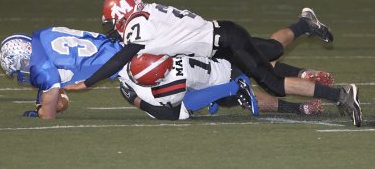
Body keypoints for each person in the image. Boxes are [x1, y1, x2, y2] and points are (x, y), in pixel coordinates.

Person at [65, 0, 362, 126]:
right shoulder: (148, 11)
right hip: (221, 40)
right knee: (271, 51)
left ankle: (340, 95)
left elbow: (123, 57)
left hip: (225, 43)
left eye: (112, 20)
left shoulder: (137, 26)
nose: (114, 27)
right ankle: (306, 24)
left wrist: (87, 83)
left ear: (121, 15)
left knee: (272, 82)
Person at [0, 26, 257, 119]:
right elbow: (60, 94)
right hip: (122, 50)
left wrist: (45, 111)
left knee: (172, 112)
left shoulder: (42, 68)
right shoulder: (44, 35)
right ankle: (213, 90)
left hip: (130, 65)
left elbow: (52, 109)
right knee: (178, 75)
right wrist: (48, 101)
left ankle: (232, 88)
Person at [119, 53, 324, 120]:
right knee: (255, 63)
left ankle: (299, 108)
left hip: (223, 80)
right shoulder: (169, 53)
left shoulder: (173, 84)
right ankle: (300, 72)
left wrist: (136, 100)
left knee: (188, 104)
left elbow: (175, 114)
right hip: (220, 63)